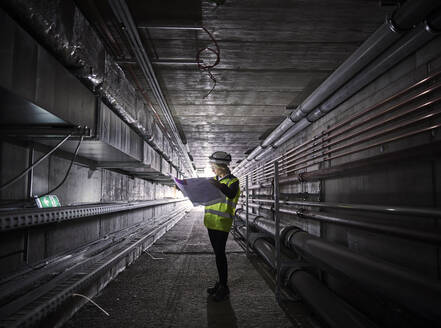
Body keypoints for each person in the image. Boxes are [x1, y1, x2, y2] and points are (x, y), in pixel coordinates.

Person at [204, 151, 240, 302]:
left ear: (222, 167)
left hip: (222, 223)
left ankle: (224, 287)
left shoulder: (233, 181)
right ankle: (220, 283)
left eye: (214, 167)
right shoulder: (213, 179)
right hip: (211, 222)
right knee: (217, 254)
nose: (212, 169)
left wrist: (217, 184)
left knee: (220, 254)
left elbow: (231, 194)